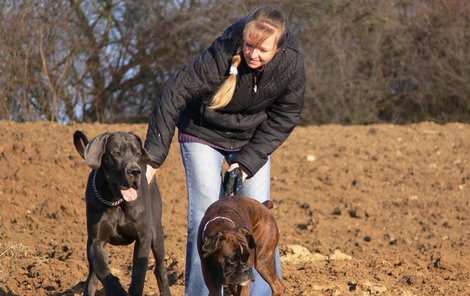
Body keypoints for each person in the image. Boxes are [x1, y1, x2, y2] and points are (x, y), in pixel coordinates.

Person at [144, 6, 305, 295]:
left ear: (278, 49)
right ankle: (200, 292)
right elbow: (174, 92)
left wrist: (247, 163)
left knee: (260, 216)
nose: (253, 54)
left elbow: (287, 115)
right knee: (204, 216)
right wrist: (153, 157)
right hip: (202, 131)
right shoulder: (221, 54)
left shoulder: (291, 65)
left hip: (251, 139)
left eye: (263, 50)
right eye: (249, 46)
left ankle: (262, 292)